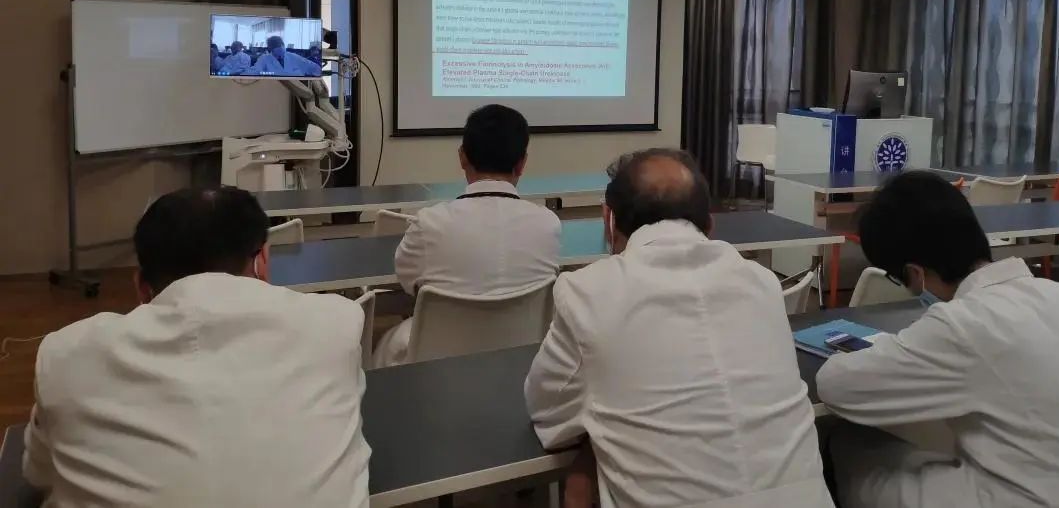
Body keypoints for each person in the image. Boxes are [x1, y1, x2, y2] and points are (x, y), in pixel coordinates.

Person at [22, 187, 372, 507]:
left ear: (142, 287)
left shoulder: (66, 356)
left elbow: (36, 472)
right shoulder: (335, 324)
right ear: (263, 262)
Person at [524, 148, 834, 508]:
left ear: (608, 221)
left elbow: (548, 411)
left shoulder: (587, 294)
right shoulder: (762, 283)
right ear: (710, 225)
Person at [817, 171, 1059, 508]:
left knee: (846, 442)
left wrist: (885, 348)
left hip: (1014, 497)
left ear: (915, 274)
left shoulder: (962, 324)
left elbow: (835, 386)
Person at [372, 104, 561, 367]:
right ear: (522, 164)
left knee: (389, 342)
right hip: (521, 363)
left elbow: (407, 282)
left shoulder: (429, 224)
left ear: (462, 157)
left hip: (437, 367)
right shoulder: (548, 224)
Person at [250, 35, 321, 77]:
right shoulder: (264, 58)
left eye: (281, 45)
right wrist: (269, 73)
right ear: (271, 49)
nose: (280, 48)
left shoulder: (293, 56)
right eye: (277, 47)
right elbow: (255, 71)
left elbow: (313, 67)